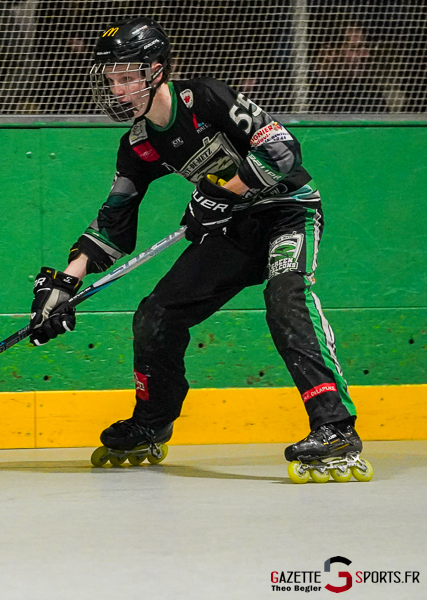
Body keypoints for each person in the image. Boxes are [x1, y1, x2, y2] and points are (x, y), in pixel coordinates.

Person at [27, 17, 372, 483]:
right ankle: (152, 424)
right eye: (111, 79)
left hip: (287, 211)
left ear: (157, 71)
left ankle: (335, 428)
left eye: (128, 77)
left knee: (285, 298)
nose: (119, 89)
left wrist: (222, 191)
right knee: (157, 315)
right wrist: (66, 282)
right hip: (233, 228)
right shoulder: (139, 145)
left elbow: (285, 153)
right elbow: (113, 222)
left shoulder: (205, 98)